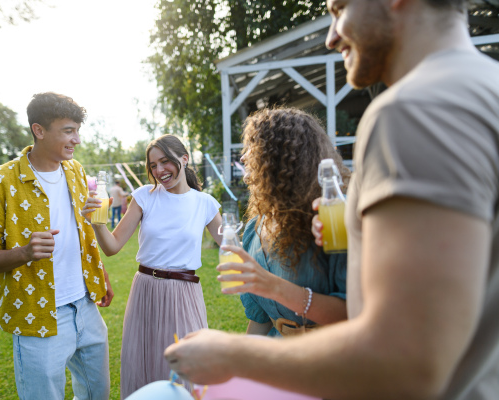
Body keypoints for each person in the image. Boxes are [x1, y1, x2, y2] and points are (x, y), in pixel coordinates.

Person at [164, 0, 499, 398]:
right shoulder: (485, 88)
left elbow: (406, 361)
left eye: (339, 9)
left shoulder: (410, 111)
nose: (331, 35)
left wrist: (233, 355)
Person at [0, 92, 114, 400]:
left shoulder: (75, 171)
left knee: (96, 393)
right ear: (39, 130)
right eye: (68, 130)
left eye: (77, 130)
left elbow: (83, 232)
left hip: (86, 307)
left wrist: (100, 275)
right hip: (37, 314)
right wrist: (24, 252)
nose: (76, 139)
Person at [82, 134, 222, 398]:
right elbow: (112, 247)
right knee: (141, 365)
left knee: (185, 366)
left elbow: (232, 245)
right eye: (153, 165)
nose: (159, 171)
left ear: (184, 159)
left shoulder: (205, 203)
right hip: (144, 291)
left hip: (184, 294)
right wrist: (97, 223)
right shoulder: (144, 196)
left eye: (165, 162)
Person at [219, 108, 348, 337]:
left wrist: (273, 287)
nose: (243, 157)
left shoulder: (332, 219)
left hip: (331, 359)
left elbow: (352, 313)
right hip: (277, 358)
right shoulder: (254, 229)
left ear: (276, 158)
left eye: (252, 147)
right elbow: (262, 322)